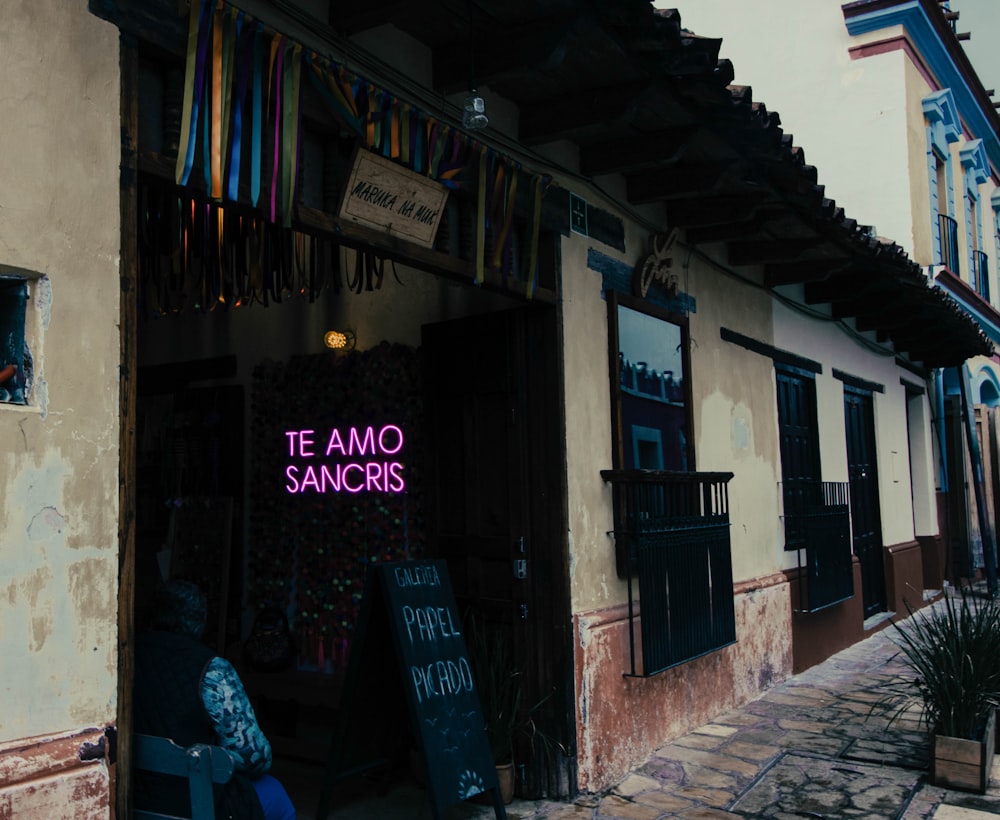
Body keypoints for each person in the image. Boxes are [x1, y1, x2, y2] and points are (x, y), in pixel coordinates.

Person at [133, 579, 296, 820]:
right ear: (200, 621)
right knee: (276, 796)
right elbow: (255, 757)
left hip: (131, 793)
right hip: (191, 801)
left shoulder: (123, 653)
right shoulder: (211, 670)